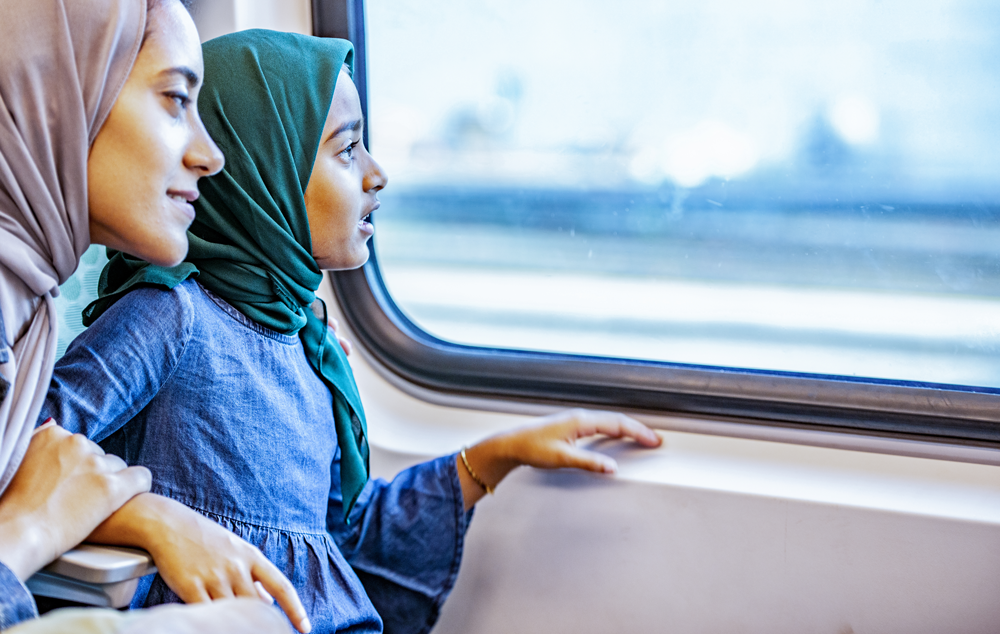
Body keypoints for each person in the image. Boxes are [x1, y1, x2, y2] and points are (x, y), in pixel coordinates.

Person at [41, 30, 663, 634]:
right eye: (347, 150)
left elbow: (336, 539)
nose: (376, 174)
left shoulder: (305, 337)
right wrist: (147, 519)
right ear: (265, 169)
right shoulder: (170, 316)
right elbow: (34, 452)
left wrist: (495, 458)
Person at [0, 0, 297, 631]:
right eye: (175, 100)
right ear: (59, 94)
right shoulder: (167, 313)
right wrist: (30, 529)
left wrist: (141, 510)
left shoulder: (25, 308)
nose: (210, 155)